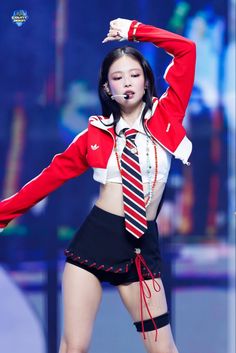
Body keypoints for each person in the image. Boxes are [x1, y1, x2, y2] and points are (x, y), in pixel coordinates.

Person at [0, 18, 196, 353]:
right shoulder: (94, 134)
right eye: (117, 78)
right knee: (74, 347)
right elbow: (47, 181)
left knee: (163, 348)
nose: (128, 83)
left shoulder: (167, 116)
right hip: (95, 241)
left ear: (148, 80)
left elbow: (186, 50)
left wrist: (135, 31)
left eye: (135, 75)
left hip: (140, 247)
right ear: (107, 89)